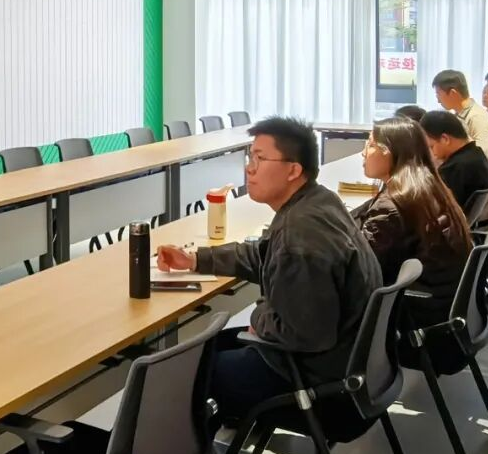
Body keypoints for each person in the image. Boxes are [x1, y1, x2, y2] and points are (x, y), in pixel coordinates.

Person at [155, 117, 382, 423]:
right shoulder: (317, 201)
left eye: (260, 159)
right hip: (343, 365)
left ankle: (190, 444)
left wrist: (258, 319)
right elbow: (260, 255)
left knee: (185, 376)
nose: (249, 168)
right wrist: (195, 260)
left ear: (293, 170)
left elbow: (305, 335)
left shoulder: (300, 236)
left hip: (321, 385)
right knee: (207, 350)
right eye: (250, 157)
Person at [351, 116, 473, 373]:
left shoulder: (393, 205)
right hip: (446, 315)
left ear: (389, 152)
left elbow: (361, 271)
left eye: (369, 145)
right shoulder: (427, 186)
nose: (363, 152)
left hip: (418, 326)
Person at [420, 111, 488, 213]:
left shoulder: (454, 168)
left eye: (431, 146)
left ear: (445, 139)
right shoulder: (477, 154)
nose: (431, 152)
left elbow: (438, 209)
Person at [432, 69, 488, 169]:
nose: (438, 100)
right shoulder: (459, 115)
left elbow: (481, 156)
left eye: (438, 94)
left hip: (476, 177)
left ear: (452, 93)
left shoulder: (476, 117)